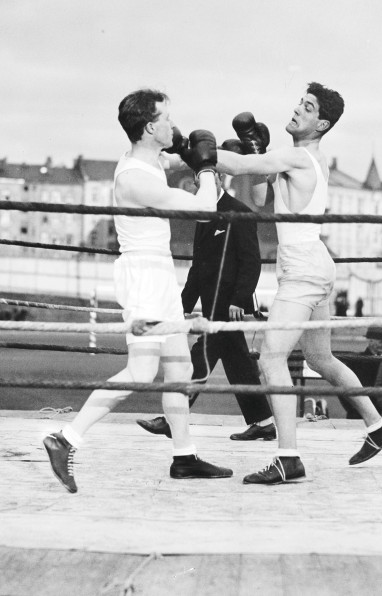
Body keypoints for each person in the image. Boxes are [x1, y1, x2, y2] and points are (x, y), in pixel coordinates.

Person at [42, 88, 232, 494]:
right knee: (141, 371)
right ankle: (66, 438)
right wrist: (207, 170)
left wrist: (187, 149)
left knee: (180, 367)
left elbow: (171, 154)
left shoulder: (147, 159)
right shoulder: (133, 179)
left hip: (160, 271)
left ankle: (184, 456)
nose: (173, 123)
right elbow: (204, 208)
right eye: (166, 118)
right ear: (149, 127)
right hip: (144, 276)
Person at [216, 82, 382, 484]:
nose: (298, 109)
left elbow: (242, 171)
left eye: (308, 107)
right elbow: (263, 196)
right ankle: (377, 425)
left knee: (271, 357)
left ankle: (288, 457)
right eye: (300, 102)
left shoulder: (298, 157)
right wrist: (257, 150)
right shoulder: (306, 160)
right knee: (320, 359)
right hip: (315, 265)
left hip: (302, 269)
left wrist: (192, 152)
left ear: (322, 123)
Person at [136, 140, 275, 442]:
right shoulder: (203, 214)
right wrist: (182, 304)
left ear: (220, 177)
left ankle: (173, 417)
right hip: (212, 303)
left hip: (231, 304)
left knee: (202, 355)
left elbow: (252, 262)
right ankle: (263, 422)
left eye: (206, 176)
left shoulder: (240, 212)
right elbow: (198, 268)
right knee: (237, 362)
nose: (201, 182)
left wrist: (240, 299)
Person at [341, 325, 382, 419]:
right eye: (381, 342)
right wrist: (351, 408)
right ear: (370, 341)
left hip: (378, 413)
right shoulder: (356, 361)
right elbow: (341, 385)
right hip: (358, 414)